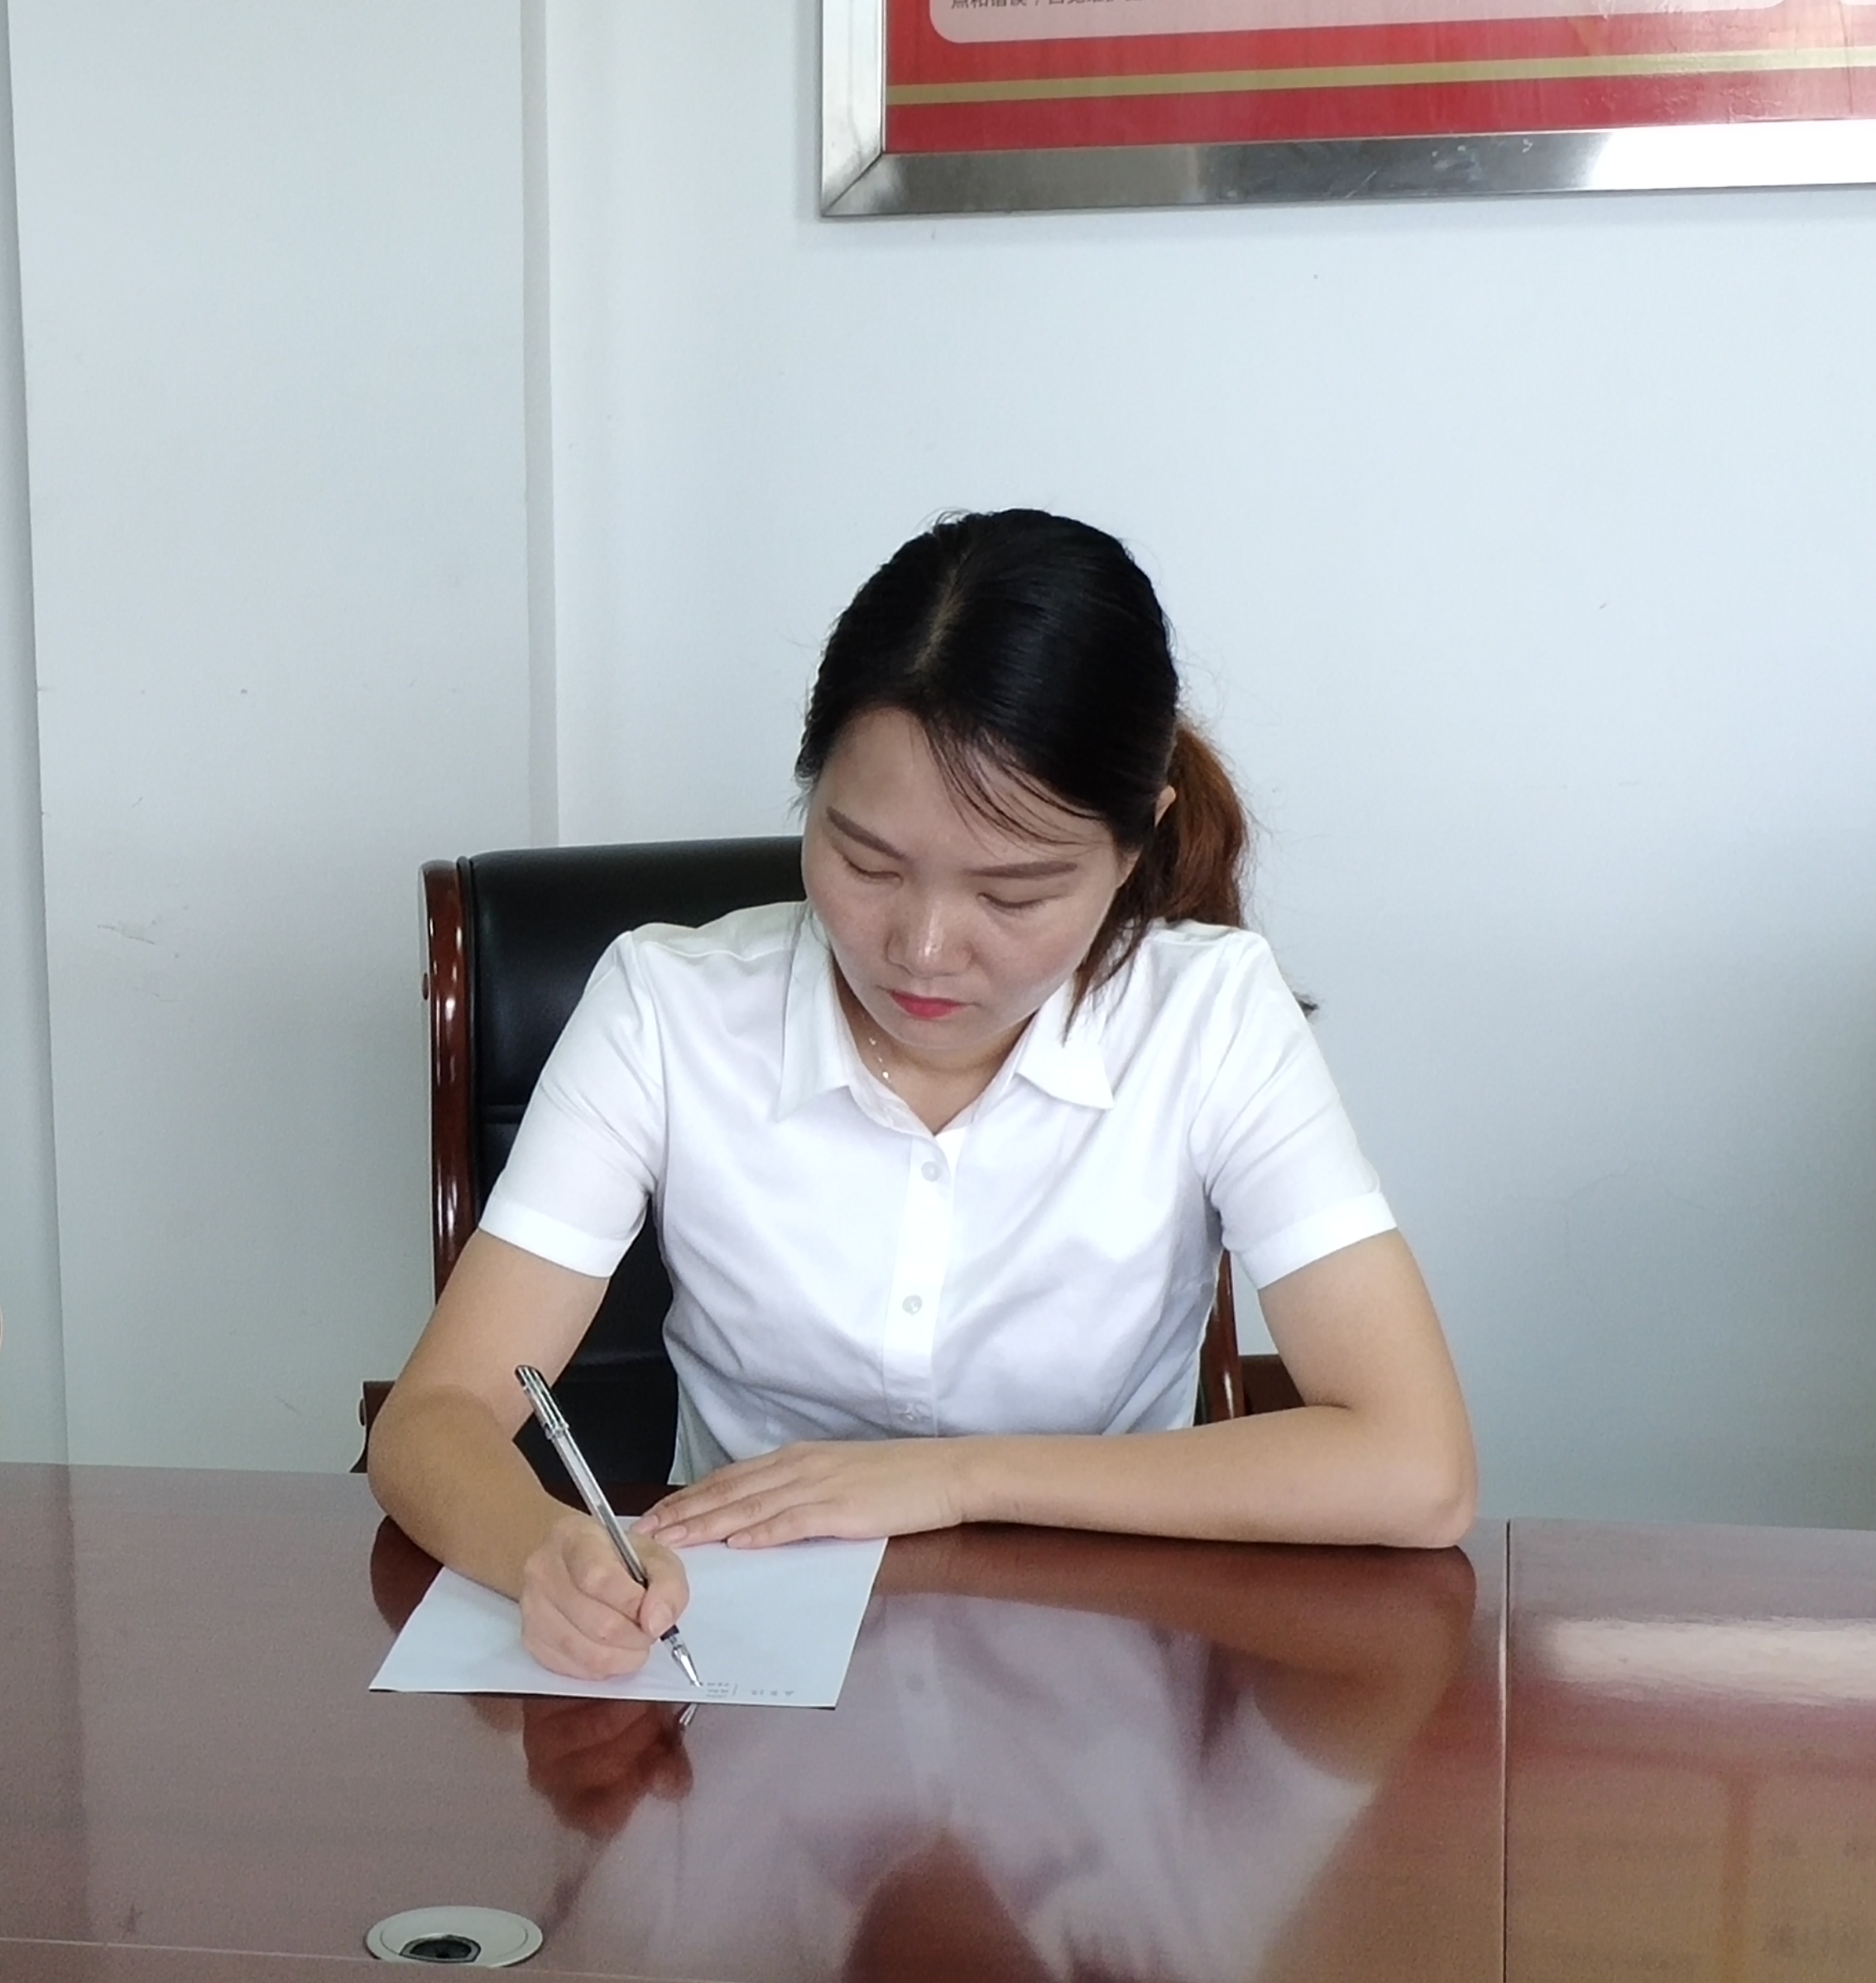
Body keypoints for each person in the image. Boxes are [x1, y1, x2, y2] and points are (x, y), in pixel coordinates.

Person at [369, 510, 1476, 1680]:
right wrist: (543, 1551)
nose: (925, 950)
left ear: (1134, 845)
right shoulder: (666, 1008)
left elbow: (1418, 1469)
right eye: (867, 863)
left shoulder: (1212, 1018)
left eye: (1013, 895)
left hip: (1099, 1675)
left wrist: (955, 1477)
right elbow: (435, 1417)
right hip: (732, 1666)